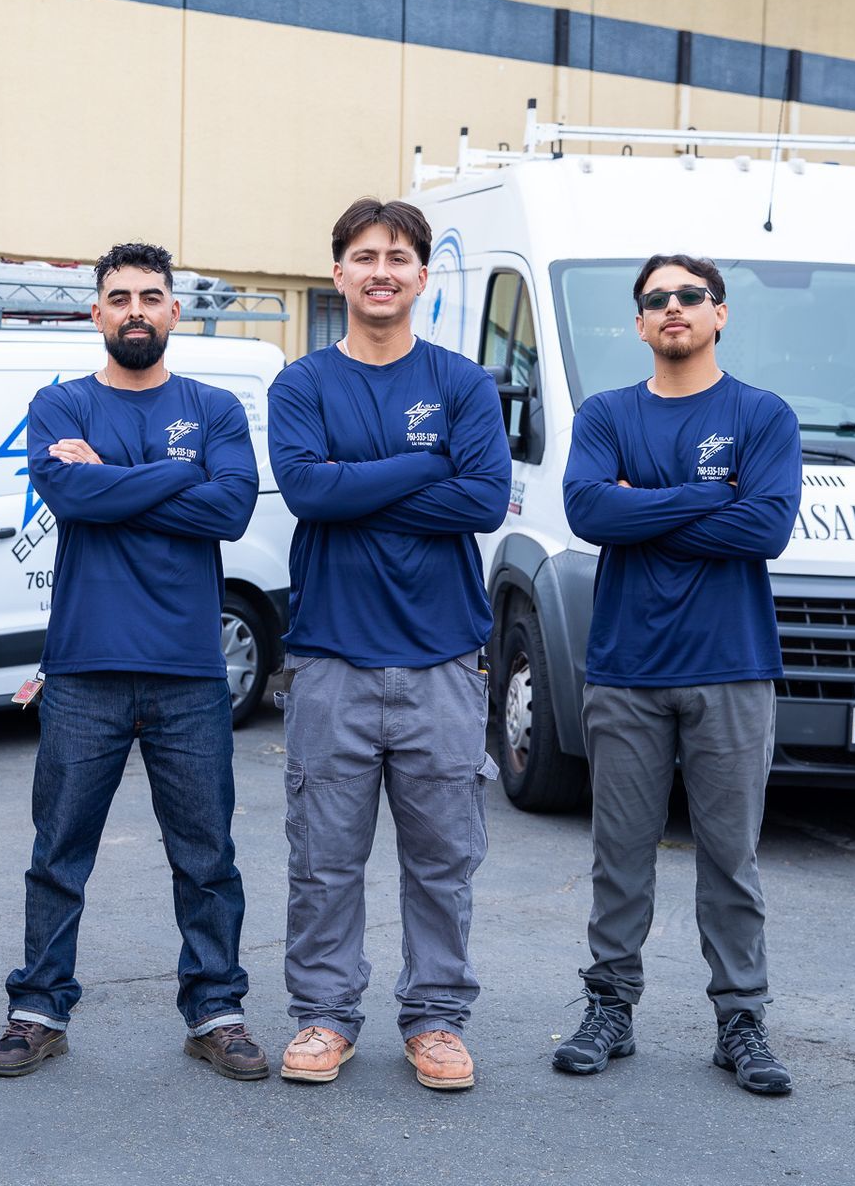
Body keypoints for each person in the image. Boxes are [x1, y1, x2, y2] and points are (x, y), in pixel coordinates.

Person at [0, 241, 267, 1081]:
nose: (135, 310)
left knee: (206, 856)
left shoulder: (214, 407)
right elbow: (71, 496)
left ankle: (216, 1011)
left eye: (150, 296)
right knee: (59, 852)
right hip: (84, 669)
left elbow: (231, 509)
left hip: (189, 671)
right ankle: (39, 1009)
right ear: (96, 313)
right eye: (119, 297)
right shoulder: (60, 403)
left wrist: (114, 478)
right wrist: (173, 477)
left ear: (174, 311)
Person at [265, 198, 510, 1090]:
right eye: (365, 256)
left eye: (398, 258)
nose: (382, 271)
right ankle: (324, 1017)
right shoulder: (302, 385)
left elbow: (484, 500)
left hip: (443, 660)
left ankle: (436, 1019)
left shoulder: (462, 384)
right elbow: (307, 492)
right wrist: (426, 467)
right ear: (338, 273)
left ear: (421, 276)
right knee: (323, 861)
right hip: (332, 657)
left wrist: (356, 483)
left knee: (443, 863)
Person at [555, 253, 802, 1096]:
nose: (673, 307)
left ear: (719, 313)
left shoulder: (761, 414)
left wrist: (643, 508)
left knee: (731, 860)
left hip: (731, 668)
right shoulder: (607, 413)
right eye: (656, 298)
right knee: (618, 855)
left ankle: (741, 1022)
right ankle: (609, 1010)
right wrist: (710, 496)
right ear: (638, 323)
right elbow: (589, 509)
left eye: (690, 295)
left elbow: (766, 527)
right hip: (626, 669)